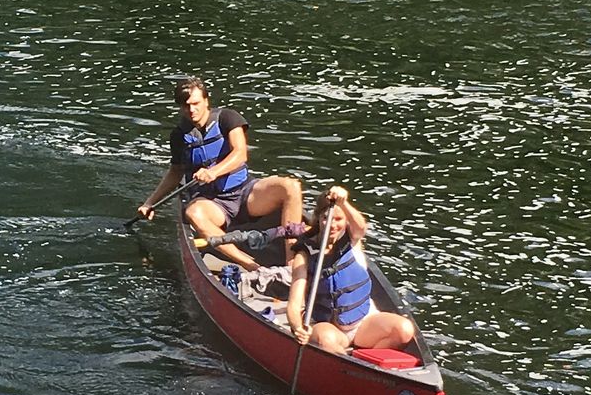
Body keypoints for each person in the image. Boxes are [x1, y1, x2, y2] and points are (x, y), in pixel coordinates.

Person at [136, 78, 302, 240]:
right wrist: (149, 203)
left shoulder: (227, 118)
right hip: (211, 204)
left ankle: (291, 262)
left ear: (206, 101)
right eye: (186, 106)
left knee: (290, 186)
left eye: (195, 103)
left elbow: (240, 153)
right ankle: (249, 264)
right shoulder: (179, 136)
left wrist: (213, 172)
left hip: (245, 193)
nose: (191, 109)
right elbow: (175, 173)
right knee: (193, 213)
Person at [286, 185, 417, 355]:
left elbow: (361, 227)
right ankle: (346, 364)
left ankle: (364, 362)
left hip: (364, 323)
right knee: (326, 340)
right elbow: (294, 305)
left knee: (404, 329)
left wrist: (344, 202)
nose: (332, 225)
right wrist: (298, 328)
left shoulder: (353, 241)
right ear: (318, 219)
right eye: (326, 218)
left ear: (346, 221)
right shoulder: (304, 256)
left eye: (338, 219)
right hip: (331, 328)